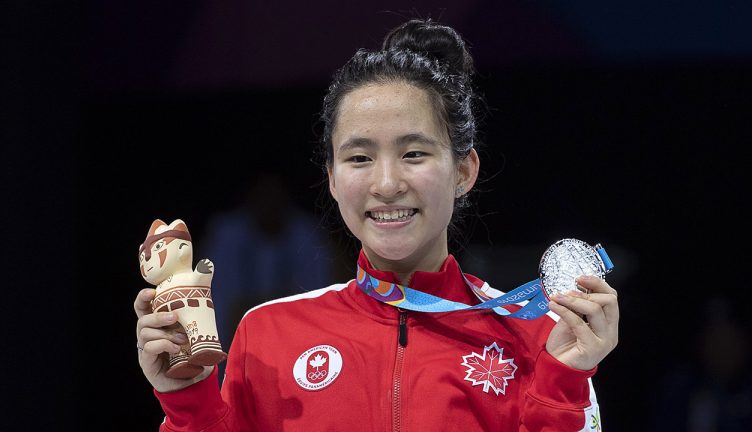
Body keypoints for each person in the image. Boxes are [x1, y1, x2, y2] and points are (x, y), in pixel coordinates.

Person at [134, 19, 619, 431]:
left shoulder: (537, 337)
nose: (386, 184)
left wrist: (564, 380)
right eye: (360, 158)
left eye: (414, 153)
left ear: (464, 171)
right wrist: (187, 399)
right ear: (332, 178)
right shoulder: (268, 334)